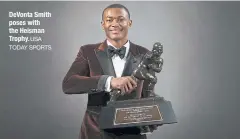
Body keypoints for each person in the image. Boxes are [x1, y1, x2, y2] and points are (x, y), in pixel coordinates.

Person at [62, 3, 157, 139]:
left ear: (129, 23)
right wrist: (109, 81)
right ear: (103, 24)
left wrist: (152, 116)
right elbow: (68, 84)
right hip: (95, 131)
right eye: (109, 20)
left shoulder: (145, 54)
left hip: (133, 133)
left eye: (120, 19)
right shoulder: (87, 52)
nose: (114, 24)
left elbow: (147, 93)